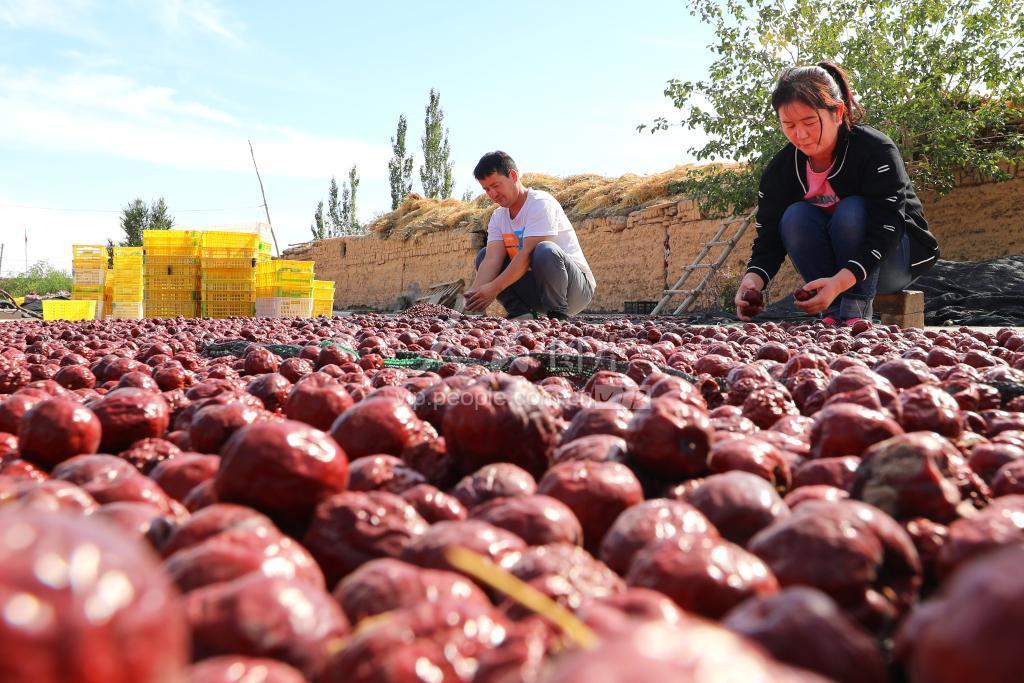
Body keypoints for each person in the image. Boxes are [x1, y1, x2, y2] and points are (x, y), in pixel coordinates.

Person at [735, 61, 940, 326]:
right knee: (795, 216)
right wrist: (753, 280)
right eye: (788, 124)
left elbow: (887, 227)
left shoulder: (874, 150)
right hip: (833, 275)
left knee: (851, 210)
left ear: (838, 112)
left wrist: (841, 282)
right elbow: (769, 238)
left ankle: (855, 312)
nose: (800, 134)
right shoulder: (781, 170)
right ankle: (832, 314)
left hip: (892, 262)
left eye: (809, 121)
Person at [465, 151, 596, 320]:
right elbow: (491, 260)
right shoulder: (498, 217)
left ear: (513, 176)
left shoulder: (540, 204)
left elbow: (527, 255)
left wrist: (494, 288)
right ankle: (521, 313)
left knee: (544, 250)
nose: (492, 194)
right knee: (484, 255)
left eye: (496, 185)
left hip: (574, 290)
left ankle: (558, 316)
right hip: (537, 291)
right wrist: (471, 298)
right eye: (486, 189)